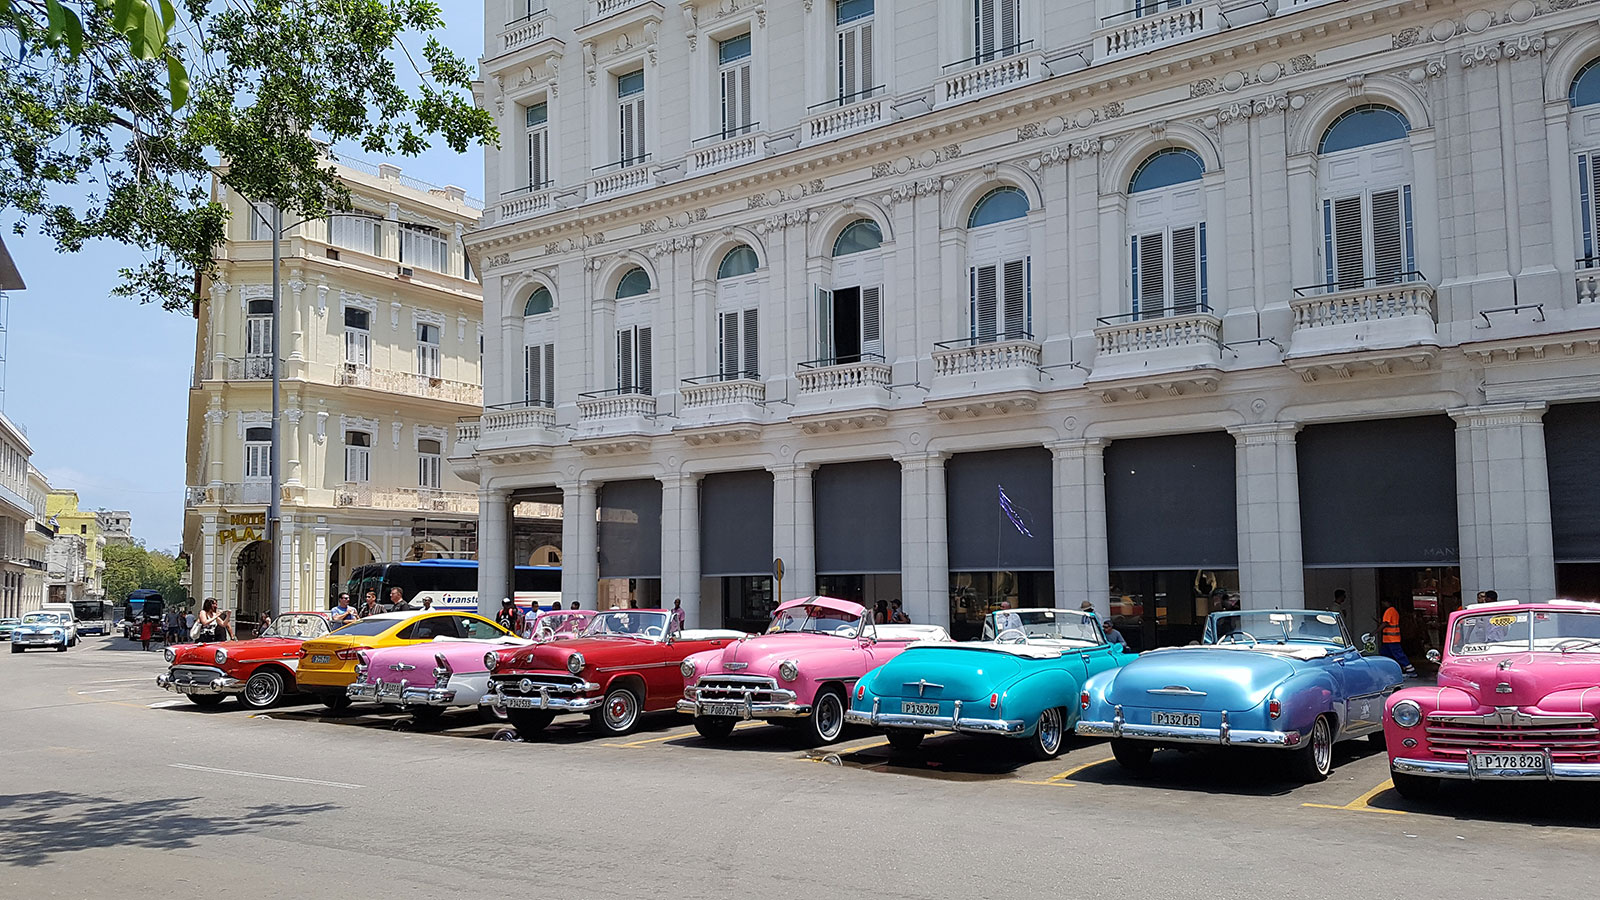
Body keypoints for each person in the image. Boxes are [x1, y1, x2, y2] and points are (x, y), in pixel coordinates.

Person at [1381, 599, 1419, 678]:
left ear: (1387, 602)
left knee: (1398, 655)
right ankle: (1390, 670)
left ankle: (1410, 670)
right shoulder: (1394, 611)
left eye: (1383, 602)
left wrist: (1374, 632)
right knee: (1386, 655)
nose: (1382, 604)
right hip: (1389, 639)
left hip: (1391, 639)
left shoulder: (1389, 611)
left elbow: (1385, 623)